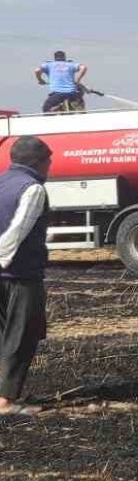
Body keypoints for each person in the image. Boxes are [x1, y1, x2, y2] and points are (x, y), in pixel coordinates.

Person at [0, 137, 52, 416]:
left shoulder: (1, 182)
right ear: (40, 162)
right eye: (49, 162)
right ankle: (6, 401)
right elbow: (18, 230)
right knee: (22, 335)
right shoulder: (32, 189)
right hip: (19, 274)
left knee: (3, 334)